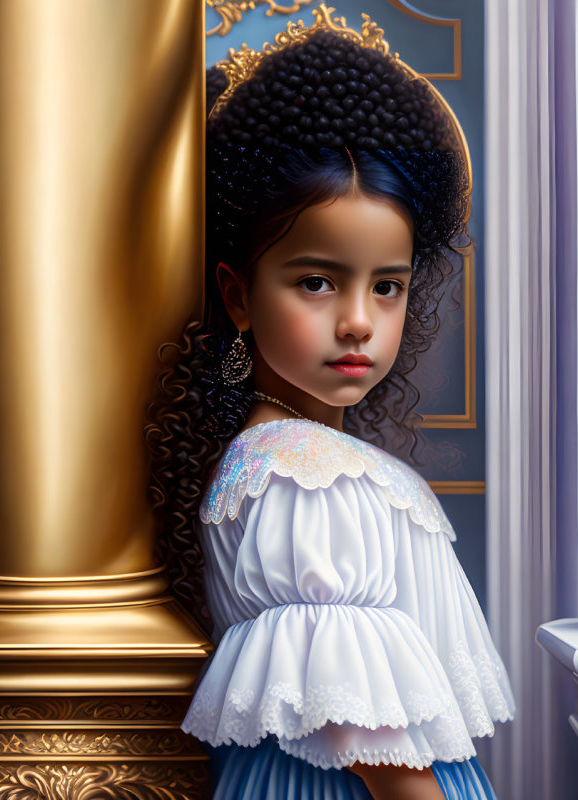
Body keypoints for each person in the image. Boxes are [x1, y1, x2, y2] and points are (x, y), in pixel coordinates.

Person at [145, 8, 514, 799]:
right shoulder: (301, 468)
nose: (357, 321)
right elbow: (369, 739)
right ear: (237, 295)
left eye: (387, 286)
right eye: (316, 281)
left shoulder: (296, 454)